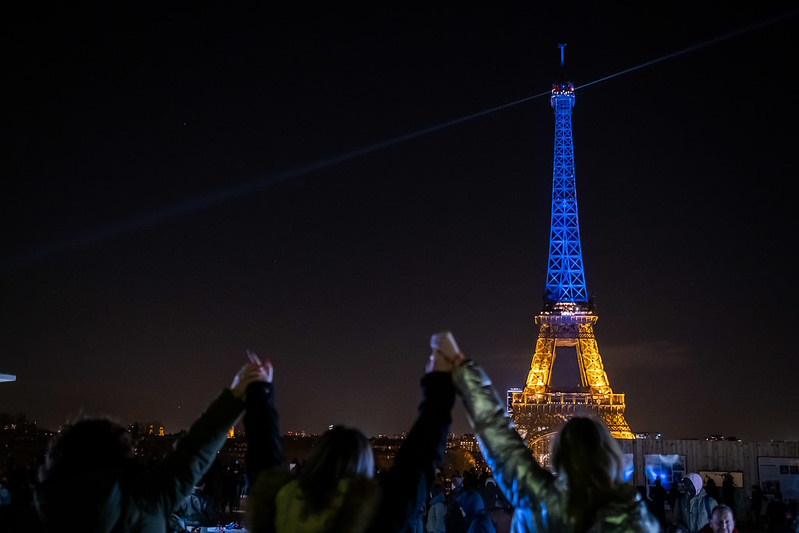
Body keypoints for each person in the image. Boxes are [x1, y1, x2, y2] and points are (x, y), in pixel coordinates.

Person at [243, 332, 458, 533]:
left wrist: (259, 391)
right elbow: (419, 458)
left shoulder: (278, 504)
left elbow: (262, 450)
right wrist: (439, 380)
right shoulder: (371, 515)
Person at [33, 360, 268, 532]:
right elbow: (194, 450)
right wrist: (237, 393)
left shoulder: (34, 512)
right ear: (118, 460)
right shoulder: (145, 501)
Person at [450, 350, 660, 533]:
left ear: (561, 454)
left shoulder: (539, 499)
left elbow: (502, 443)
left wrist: (465, 371)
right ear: (609, 455)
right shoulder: (635, 514)